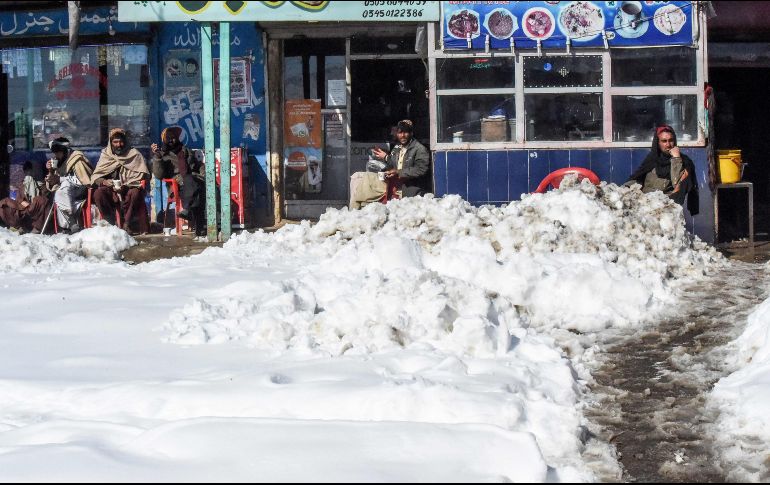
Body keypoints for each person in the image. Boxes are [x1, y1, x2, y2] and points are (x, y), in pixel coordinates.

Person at [349, 119, 430, 209]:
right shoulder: (397, 147)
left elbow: (421, 169)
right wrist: (385, 157)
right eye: (400, 132)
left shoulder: (419, 149)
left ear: (411, 133)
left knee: (362, 182)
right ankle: (353, 211)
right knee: (357, 176)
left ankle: (353, 211)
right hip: (390, 181)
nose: (403, 135)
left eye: (406, 132)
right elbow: (393, 164)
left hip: (404, 186)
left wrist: (398, 172)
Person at [625, 125, 699, 215]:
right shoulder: (652, 159)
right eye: (664, 141)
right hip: (644, 206)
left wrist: (676, 159)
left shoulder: (684, 162)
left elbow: (677, 184)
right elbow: (638, 177)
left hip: (665, 209)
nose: (668, 145)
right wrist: (623, 190)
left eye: (671, 140)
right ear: (658, 143)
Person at [90, 128, 151, 234]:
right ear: (111, 143)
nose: (119, 145)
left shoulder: (134, 154)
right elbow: (96, 176)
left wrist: (127, 184)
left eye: (121, 141)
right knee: (98, 193)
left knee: (135, 192)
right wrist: (104, 181)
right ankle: (110, 223)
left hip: (128, 188)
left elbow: (142, 175)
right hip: (111, 190)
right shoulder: (106, 154)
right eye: (115, 142)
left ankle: (127, 223)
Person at [151, 126, 206, 237]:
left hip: (194, 180)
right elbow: (159, 175)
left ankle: (193, 215)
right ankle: (198, 224)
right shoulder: (162, 155)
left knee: (205, 188)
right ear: (164, 140)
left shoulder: (186, 150)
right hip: (177, 184)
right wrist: (157, 157)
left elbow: (198, 165)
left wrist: (203, 175)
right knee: (193, 185)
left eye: (173, 137)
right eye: (168, 138)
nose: (172, 140)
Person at [44, 137, 93, 233]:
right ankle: (71, 225)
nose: (56, 155)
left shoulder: (76, 159)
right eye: (55, 153)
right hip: (65, 192)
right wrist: (51, 171)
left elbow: (81, 181)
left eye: (58, 153)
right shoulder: (59, 162)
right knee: (60, 191)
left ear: (65, 151)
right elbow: (54, 183)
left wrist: (59, 179)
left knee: (64, 187)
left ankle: (70, 224)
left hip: (80, 191)